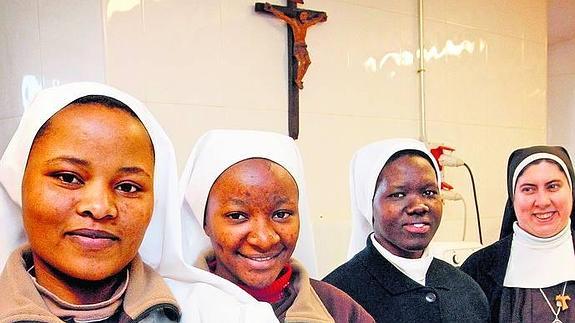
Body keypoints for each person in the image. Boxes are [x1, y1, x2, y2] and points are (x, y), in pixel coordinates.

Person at [0, 83, 181, 321]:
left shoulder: (218, 312)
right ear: (19, 184)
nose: (99, 207)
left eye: (128, 187)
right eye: (68, 178)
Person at [174, 129, 374, 322]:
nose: (264, 239)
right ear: (205, 222)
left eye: (281, 214)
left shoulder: (339, 311)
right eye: (237, 215)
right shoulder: (170, 310)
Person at [323, 138, 489, 322]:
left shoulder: (467, 289)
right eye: (398, 194)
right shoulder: (335, 297)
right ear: (368, 204)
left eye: (429, 192)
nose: (419, 206)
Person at [461, 145, 575, 322]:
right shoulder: (478, 269)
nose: (543, 201)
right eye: (528, 189)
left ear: (571, 192)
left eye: (553, 186)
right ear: (513, 199)